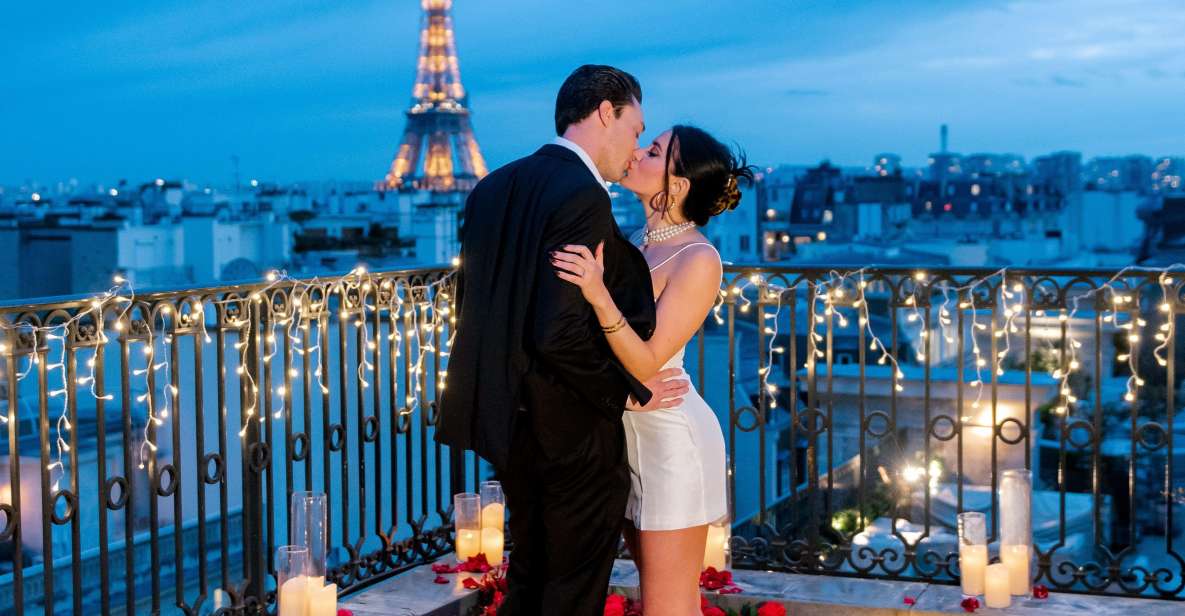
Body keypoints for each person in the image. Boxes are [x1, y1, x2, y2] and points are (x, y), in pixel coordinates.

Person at [435, 65, 690, 616]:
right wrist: (621, 392)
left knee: (529, 575)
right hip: (570, 428)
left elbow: (481, 304)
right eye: (634, 126)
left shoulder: (493, 186)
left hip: (508, 420)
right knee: (572, 587)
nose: (636, 144)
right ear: (605, 112)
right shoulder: (582, 197)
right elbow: (556, 330)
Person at [551, 125, 754, 615]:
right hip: (626, 437)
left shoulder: (698, 258)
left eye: (655, 151)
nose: (639, 151)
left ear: (678, 185)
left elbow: (646, 360)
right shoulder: (634, 246)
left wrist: (598, 294)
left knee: (667, 606)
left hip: (671, 445)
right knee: (661, 599)